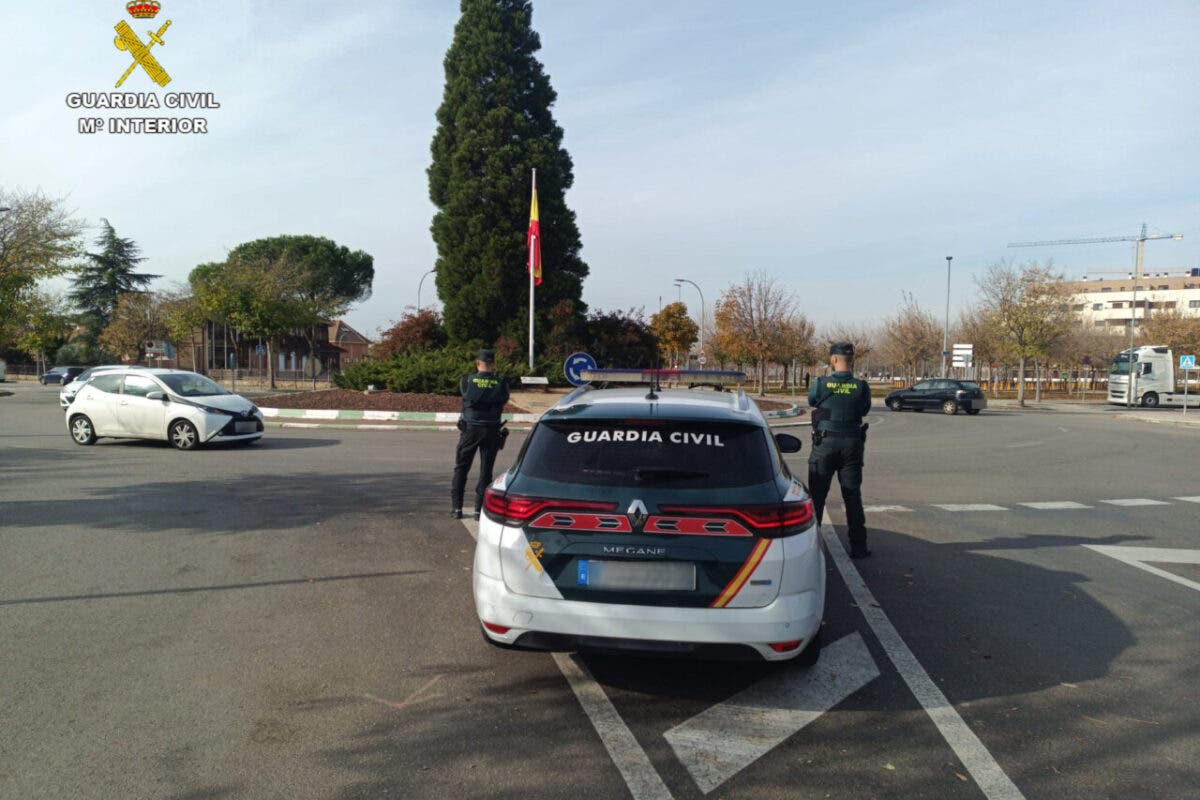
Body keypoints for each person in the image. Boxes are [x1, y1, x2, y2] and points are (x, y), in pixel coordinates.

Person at [807, 342, 872, 558]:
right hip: (852, 445)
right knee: (852, 496)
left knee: (817, 497)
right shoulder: (861, 387)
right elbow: (864, 409)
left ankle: (809, 547)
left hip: (824, 445)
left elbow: (812, 401)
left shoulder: (821, 383)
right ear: (851, 360)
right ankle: (859, 547)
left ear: (834, 360)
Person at [451, 349, 510, 519]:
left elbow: (465, 396)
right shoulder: (501, 383)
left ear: (477, 363)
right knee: (486, 471)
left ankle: (457, 509)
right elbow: (504, 399)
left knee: (461, 468)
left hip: (470, 430)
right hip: (491, 430)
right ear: (494, 364)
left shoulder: (466, 380)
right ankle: (479, 511)